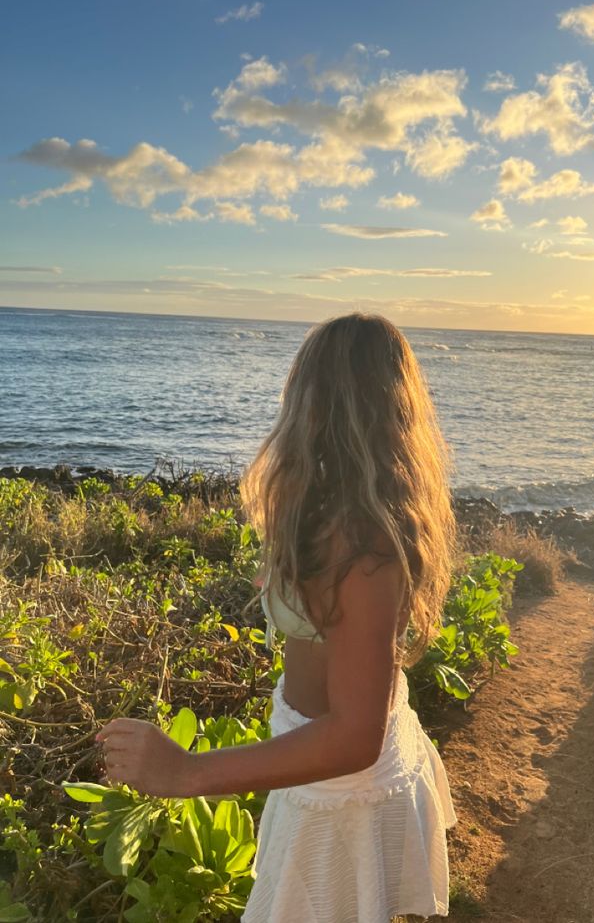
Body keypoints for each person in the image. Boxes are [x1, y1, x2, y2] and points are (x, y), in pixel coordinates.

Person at [96, 311, 459, 922]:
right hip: (326, 769)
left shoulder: (362, 543)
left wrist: (187, 770)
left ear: (317, 402)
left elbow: (352, 736)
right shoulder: (342, 512)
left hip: (336, 795)